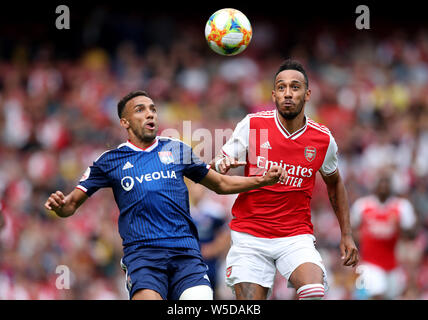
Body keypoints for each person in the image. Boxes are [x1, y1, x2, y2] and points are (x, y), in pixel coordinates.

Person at [44, 90, 286, 300]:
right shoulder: (109, 161)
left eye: (153, 109)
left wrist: (262, 180)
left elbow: (220, 184)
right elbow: (70, 206)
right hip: (143, 257)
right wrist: (60, 206)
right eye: (140, 110)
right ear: (125, 122)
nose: (150, 114)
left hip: (186, 254)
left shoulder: (177, 149)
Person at [210, 59, 359, 300]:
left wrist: (346, 234)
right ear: (273, 94)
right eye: (281, 87)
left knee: (313, 291)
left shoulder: (322, 139)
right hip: (250, 236)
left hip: (295, 236)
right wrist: (221, 164)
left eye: (295, 87)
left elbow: (335, 183)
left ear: (307, 94)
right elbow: (217, 165)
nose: (287, 93)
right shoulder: (253, 125)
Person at [351, 173, 417, 299]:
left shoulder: (401, 207)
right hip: (370, 262)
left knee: (393, 295)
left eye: (386, 183)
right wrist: (360, 238)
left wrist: (398, 226)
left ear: (391, 186)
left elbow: (412, 233)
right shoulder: (363, 205)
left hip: (393, 263)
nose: (383, 186)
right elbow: (351, 229)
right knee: (377, 294)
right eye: (381, 182)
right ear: (375, 186)